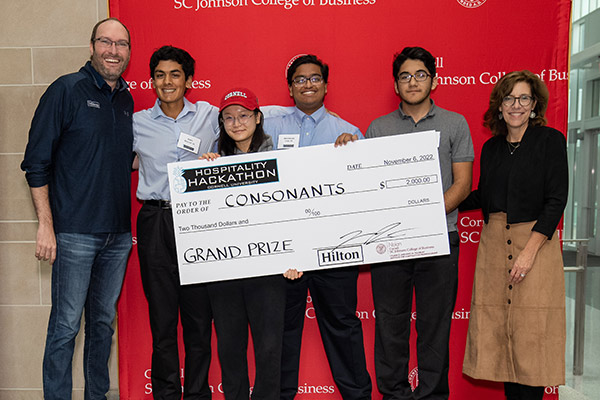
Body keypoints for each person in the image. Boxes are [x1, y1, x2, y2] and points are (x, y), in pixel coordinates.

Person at [20, 18, 133, 400]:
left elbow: (118, 157)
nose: (113, 51)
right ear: (91, 46)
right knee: (66, 326)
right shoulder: (66, 90)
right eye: (106, 42)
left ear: (128, 52)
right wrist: (45, 226)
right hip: (73, 234)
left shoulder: (127, 99)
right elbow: (35, 163)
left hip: (118, 237)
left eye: (121, 44)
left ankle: (96, 396)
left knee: (102, 325)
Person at [365, 46, 474, 400]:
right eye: (405, 76)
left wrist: (423, 217)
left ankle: (431, 396)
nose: (412, 82)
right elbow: (368, 186)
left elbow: (462, 184)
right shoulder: (378, 128)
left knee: (434, 327)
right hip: (391, 243)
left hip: (441, 238)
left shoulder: (455, 123)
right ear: (396, 85)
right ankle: (394, 395)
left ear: (434, 80)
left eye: (420, 75)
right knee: (390, 326)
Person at [264, 54, 372, 400]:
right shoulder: (269, 127)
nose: (307, 84)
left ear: (326, 85)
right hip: (285, 252)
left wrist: (353, 155)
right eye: (299, 79)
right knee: (282, 330)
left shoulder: (349, 132)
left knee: (343, 326)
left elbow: (361, 190)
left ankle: (357, 395)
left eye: (314, 78)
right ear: (290, 87)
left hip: (334, 249)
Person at [461, 70, 568, 400]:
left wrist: (529, 251)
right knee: (502, 342)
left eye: (524, 98)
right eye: (509, 98)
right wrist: (431, 199)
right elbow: (483, 196)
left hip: (535, 248)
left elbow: (556, 200)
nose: (516, 105)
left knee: (531, 341)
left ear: (535, 104)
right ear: (500, 105)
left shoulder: (550, 141)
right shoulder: (492, 148)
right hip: (494, 248)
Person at [133, 45, 216, 399]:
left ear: (190, 80)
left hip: (198, 221)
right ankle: (166, 394)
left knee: (198, 322)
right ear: (152, 80)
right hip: (155, 221)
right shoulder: (136, 122)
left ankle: (197, 394)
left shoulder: (211, 115)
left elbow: (257, 119)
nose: (167, 82)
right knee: (163, 321)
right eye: (160, 75)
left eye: (175, 74)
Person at [200, 88, 286, 400]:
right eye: (229, 117)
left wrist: (294, 254)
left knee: (269, 348)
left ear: (258, 117)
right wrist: (203, 174)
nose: (237, 123)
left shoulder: (280, 159)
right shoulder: (212, 162)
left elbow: (293, 213)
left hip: (268, 268)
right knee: (230, 347)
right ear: (221, 123)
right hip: (224, 271)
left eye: (244, 115)